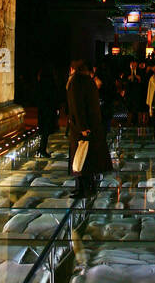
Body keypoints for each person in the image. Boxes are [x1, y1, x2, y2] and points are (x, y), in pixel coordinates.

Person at [66, 58, 113, 198]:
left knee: (81, 160)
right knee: (87, 160)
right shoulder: (87, 82)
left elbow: (77, 106)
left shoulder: (77, 82)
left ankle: (84, 189)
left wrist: (82, 127)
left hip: (82, 127)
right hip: (90, 126)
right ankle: (85, 188)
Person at [35, 66, 59, 157]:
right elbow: (54, 96)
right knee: (46, 130)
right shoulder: (50, 83)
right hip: (48, 109)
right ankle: (42, 149)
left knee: (44, 130)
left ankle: (42, 148)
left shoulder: (41, 83)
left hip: (43, 109)